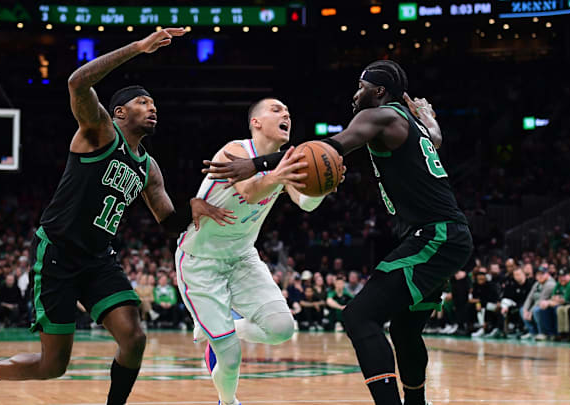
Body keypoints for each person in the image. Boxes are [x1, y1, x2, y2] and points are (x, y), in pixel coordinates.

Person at [0, 28, 234, 405]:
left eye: (154, 104)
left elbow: (168, 222)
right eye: (143, 102)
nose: (152, 108)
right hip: (57, 254)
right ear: (119, 112)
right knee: (53, 365)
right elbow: (77, 82)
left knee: (134, 338)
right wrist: (138, 47)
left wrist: (194, 208)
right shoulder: (99, 133)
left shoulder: (149, 169)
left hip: (98, 259)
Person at [203, 60, 473, 405]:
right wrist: (428, 116)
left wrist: (255, 164)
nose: (356, 93)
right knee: (404, 331)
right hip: (443, 235)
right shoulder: (411, 123)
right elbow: (435, 138)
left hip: (436, 235)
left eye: (362, 86)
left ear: (378, 91)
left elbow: (329, 148)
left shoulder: (378, 116)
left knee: (358, 317)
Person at [175, 98, 340, 405]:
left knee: (281, 328)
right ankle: (228, 401)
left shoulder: (282, 162)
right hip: (200, 261)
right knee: (231, 356)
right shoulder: (234, 151)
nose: (286, 114)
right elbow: (249, 192)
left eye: (288, 111)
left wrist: (322, 188)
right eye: (276, 110)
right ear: (256, 123)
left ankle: (220, 331)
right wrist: (279, 174)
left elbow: (304, 203)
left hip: (242, 258)